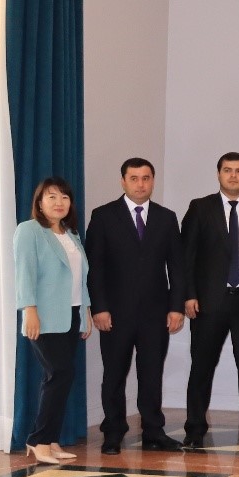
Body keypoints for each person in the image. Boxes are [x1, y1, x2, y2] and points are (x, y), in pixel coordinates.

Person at [83, 158, 183, 454]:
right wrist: (99, 307)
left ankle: (153, 431)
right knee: (114, 374)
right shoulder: (103, 216)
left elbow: (177, 267)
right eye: (134, 178)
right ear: (123, 181)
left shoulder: (166, 218)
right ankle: (113, 432)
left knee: (151, 374)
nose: (141, 184)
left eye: (146, 178)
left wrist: (176, 307)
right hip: (115, 313)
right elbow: (95, 267)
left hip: (156, 313)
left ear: (153, 181)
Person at [181, 152, 239, 447]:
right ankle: (195, 428)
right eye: (227, 170)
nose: (233, 175)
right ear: (218, 174)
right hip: (209, 303)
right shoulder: (200, 208)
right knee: (202, 366)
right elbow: (187, 256)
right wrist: (188, 295)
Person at [15, 177, 94, 465]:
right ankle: (38, 440)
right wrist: (29, 309)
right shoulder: (29, 231)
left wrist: (85, 311)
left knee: (60, 377)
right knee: (59, 373)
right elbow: (24, 273)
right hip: (44, 316)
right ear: (39, 203)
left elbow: (80, 278)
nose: (59, 202)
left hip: (71, 314)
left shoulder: (71, 234)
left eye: (64, 197)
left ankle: (49, 439)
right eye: (51, 197)